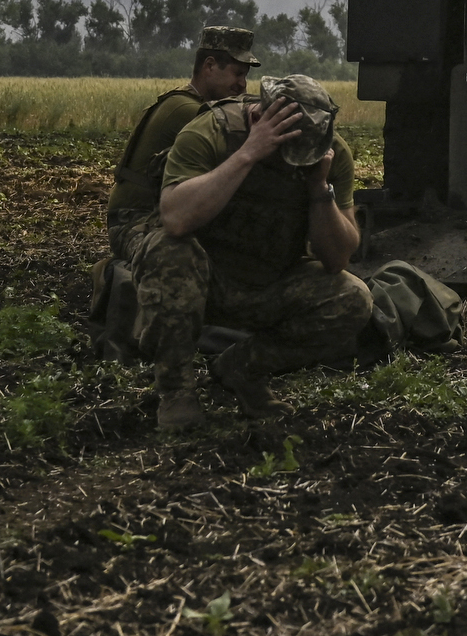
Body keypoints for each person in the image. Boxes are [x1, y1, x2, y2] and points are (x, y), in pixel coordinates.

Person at [142, 71, 373, 423]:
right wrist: (248, 154)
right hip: (204, 278)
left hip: (269, 281)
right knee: (169, 249)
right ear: (256, 118)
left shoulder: (330, 155)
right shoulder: (212, 133)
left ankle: (242, 369)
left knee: (353, 298)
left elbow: (338, 257)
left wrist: (317, 186)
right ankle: (176, 391)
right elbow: (175, 218)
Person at [92, 25, 261, 357]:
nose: (242, 85)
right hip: (135, 222)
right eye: (237, 73)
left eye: (245, 76)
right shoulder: (194, 112)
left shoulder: (186, 101)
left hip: (149, 214)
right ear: (210, 66)